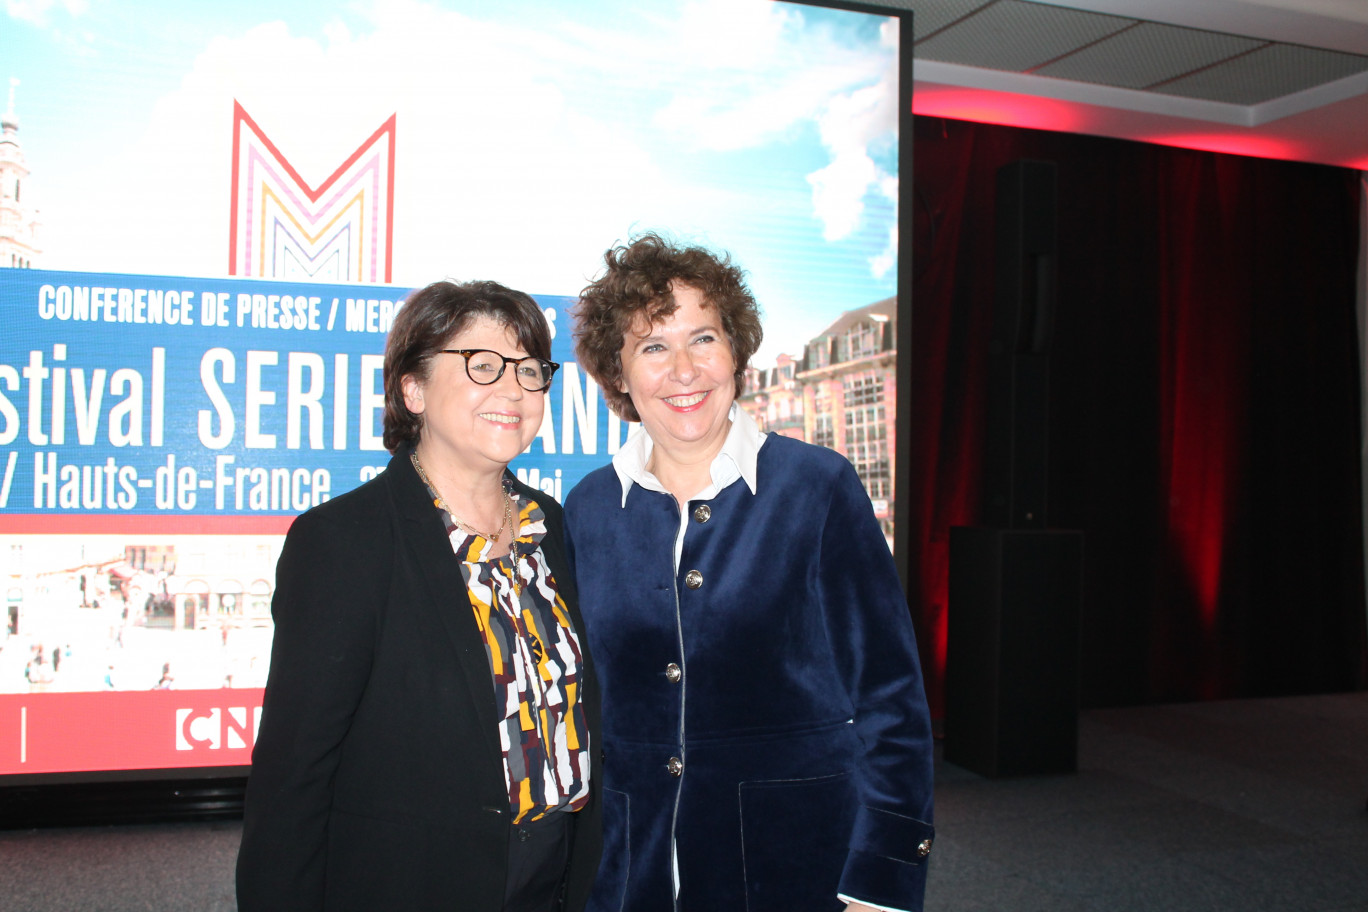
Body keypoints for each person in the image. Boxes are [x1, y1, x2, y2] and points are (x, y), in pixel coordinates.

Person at [565, 234, 935, 912]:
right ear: (618, 375)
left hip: (791, 869)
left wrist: (880, 878)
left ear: (735, 349)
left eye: (703, 338)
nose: (684, 370)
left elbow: (890, 698)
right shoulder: (587, 508)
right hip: (627, 875)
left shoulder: (818, 488)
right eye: (653, 346)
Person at [237, 280, 602, 912]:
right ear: (413, 390)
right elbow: (292, 780)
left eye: (529, 370)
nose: (512, 389)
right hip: (414, 884)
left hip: (559, 879)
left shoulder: (557, 528)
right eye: (482, 366)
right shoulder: (344, 541)